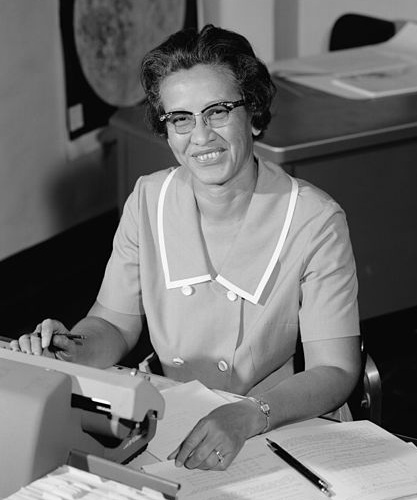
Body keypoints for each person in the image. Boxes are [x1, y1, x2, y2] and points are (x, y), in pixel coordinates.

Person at [11, 24, 361, 471]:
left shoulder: (314, 220)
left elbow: (335, 370)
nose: (200, 136)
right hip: (171, 416)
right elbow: (114, 326)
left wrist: (250, 414)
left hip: (277, 420)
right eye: (181, 118)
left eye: (217, 112)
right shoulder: (148, 199)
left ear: (252, 113)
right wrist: (69, 350)